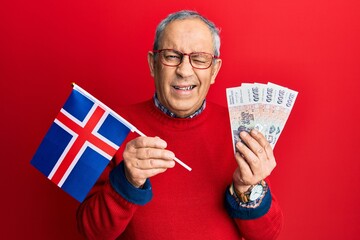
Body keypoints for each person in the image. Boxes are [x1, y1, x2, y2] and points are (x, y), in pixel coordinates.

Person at [77, 10, 283, 240]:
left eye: (199, 59)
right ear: (153, 64)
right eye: (172, 56)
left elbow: (268, 236)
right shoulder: (109, 126)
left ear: (214, 70)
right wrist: (127, 180)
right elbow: (91, 232)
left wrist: (247, 189)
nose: (184, 71)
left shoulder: (240, 131)